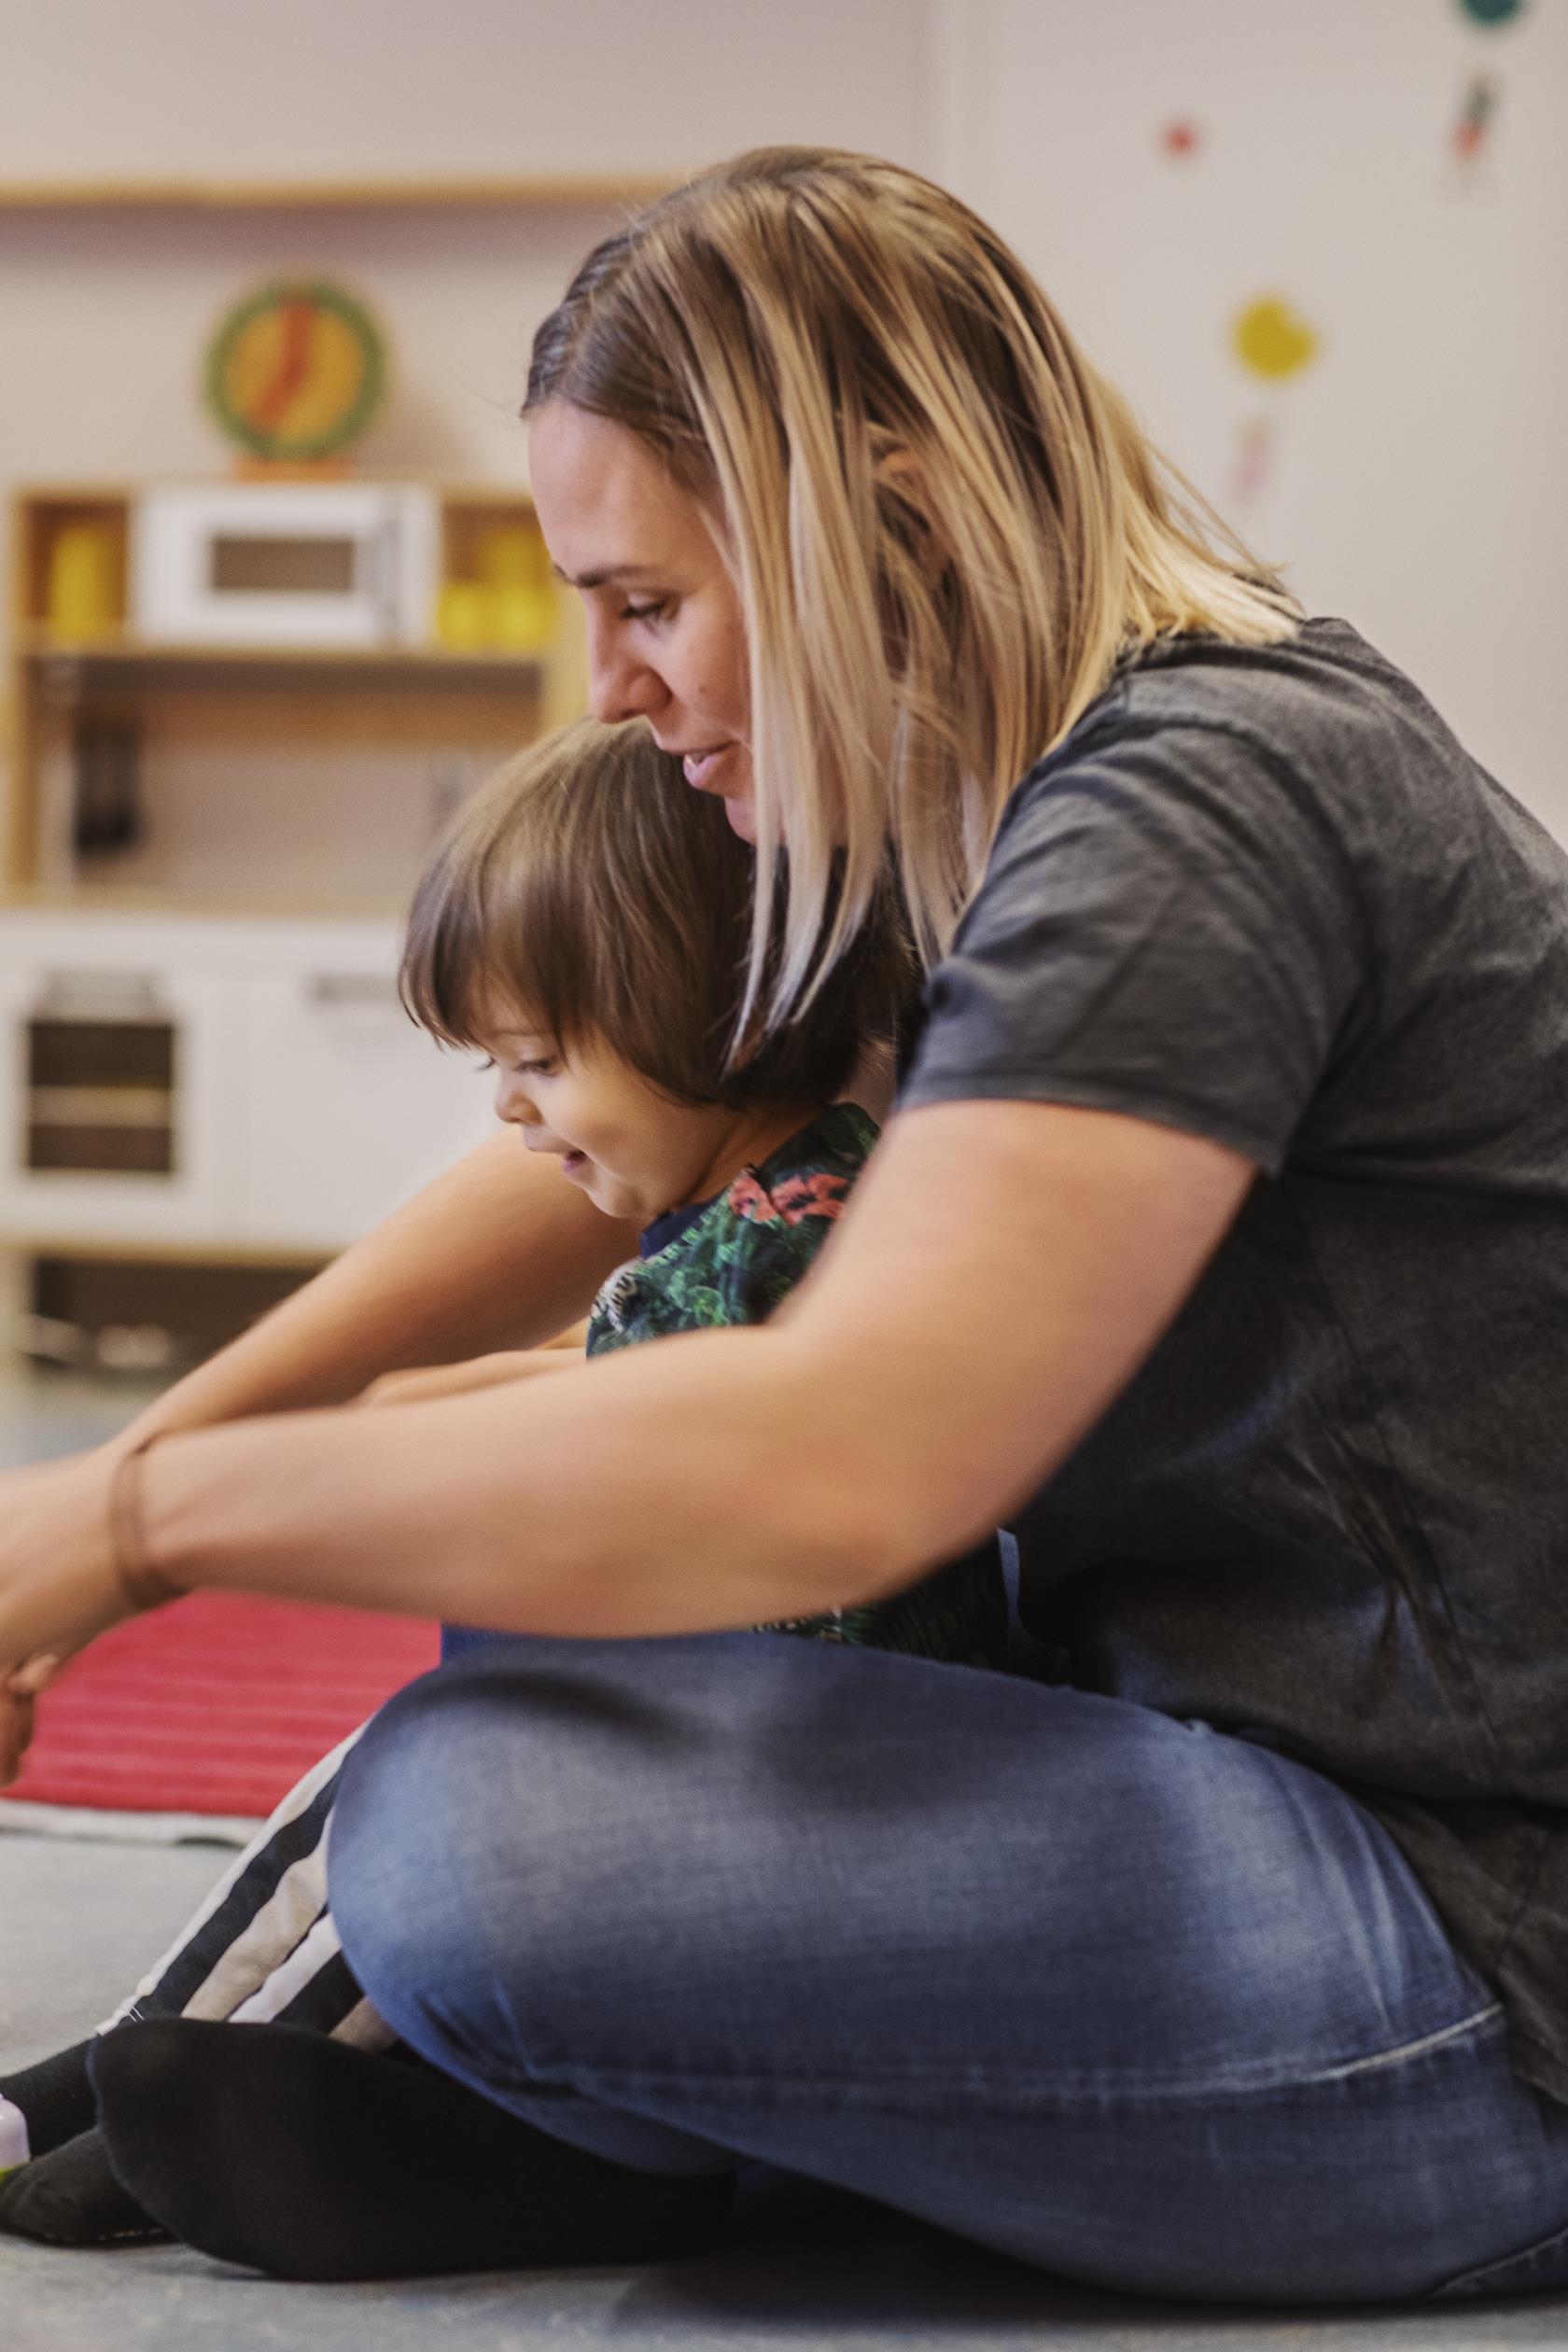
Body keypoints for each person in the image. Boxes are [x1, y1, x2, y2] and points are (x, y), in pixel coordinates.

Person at [2, 142, 1568, 2303]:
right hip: (1185, 1772)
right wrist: (107, 1487)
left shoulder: (1200, 806)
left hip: (1469, 1969)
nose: (615, 689)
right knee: (529, 1651)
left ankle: (636, 2131)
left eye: (648, 604)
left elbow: (845, 1456)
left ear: (886, 519)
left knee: (478, 1836)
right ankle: (650, 2126)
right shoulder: (960, 804)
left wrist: (140, 1524)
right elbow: (625, 1132)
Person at [0, 713, 1011, 2263]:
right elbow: (591, 1378)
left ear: (730, 1025)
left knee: (414, 1773)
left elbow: (632, 1422)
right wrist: (378, 1402)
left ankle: (198, 2080)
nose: (508, 1111)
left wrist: (237, 1492)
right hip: (775, 1733)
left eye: (540, 1064)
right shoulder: (789, 1194)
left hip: (811, 1767)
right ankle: (131, 2064)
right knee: (377, 1768)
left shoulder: (782, 1236)